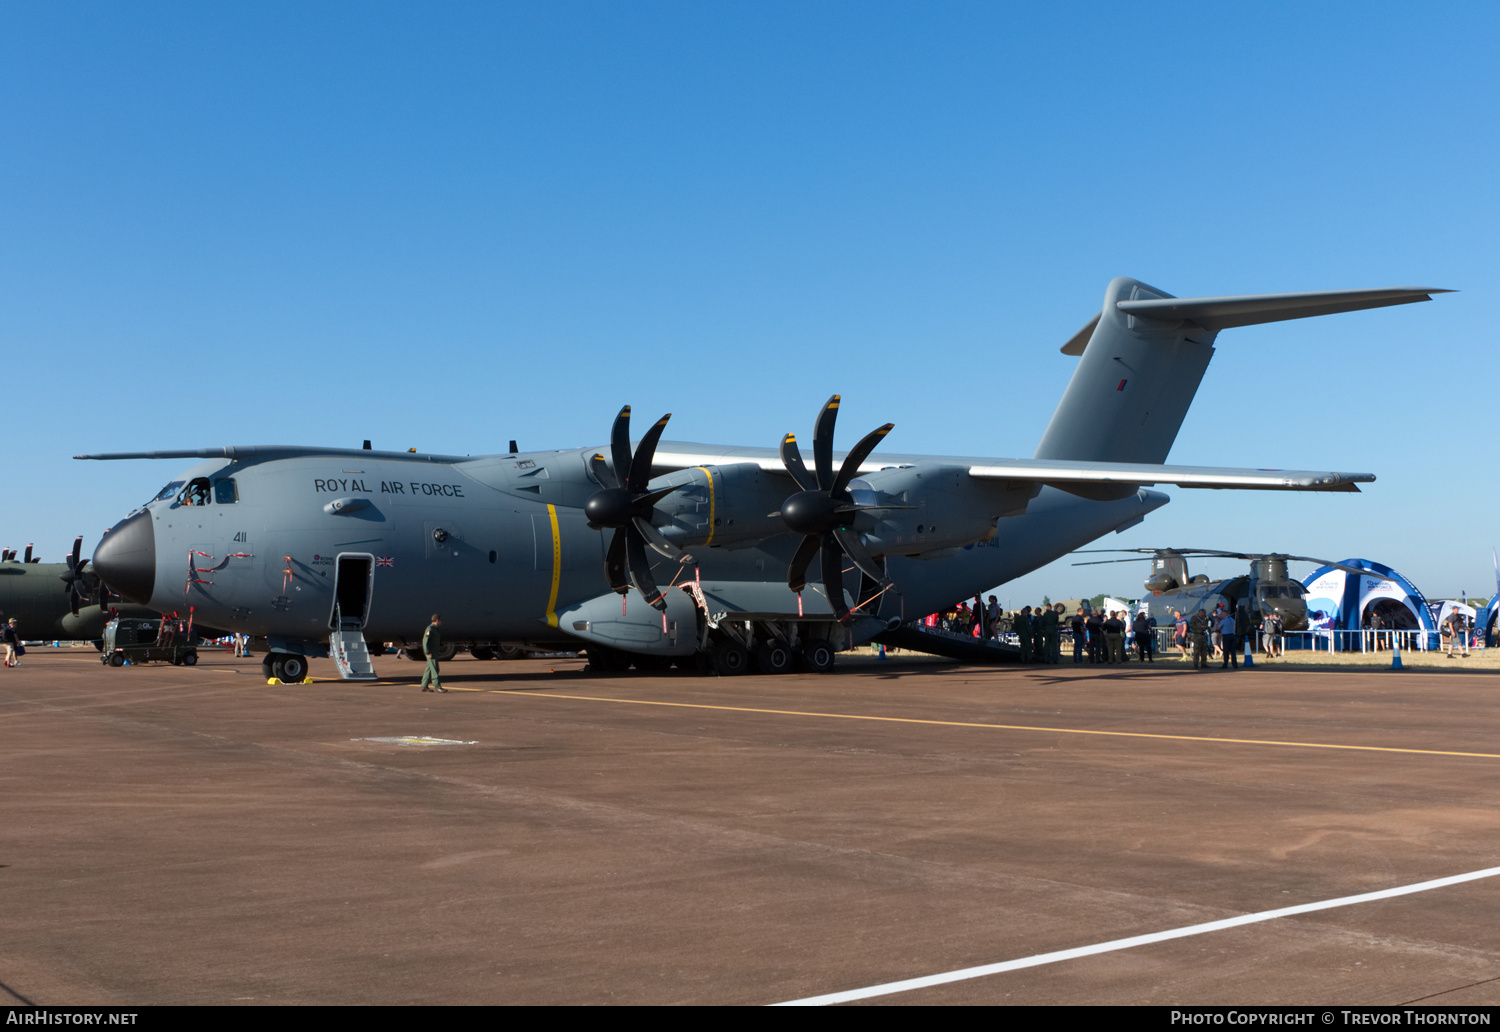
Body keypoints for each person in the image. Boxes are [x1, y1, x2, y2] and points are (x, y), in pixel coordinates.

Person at [420, 613, 447, 692]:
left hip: (434, 651)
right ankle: (437, 686)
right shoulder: (430, 629)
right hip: (431, 652)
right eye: (440, 620)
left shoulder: (435, 629)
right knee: (435, 668)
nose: (441, 622)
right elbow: (425, 642)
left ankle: (424, 685)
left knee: (429, 668)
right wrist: (428, 652)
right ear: (437, 620)